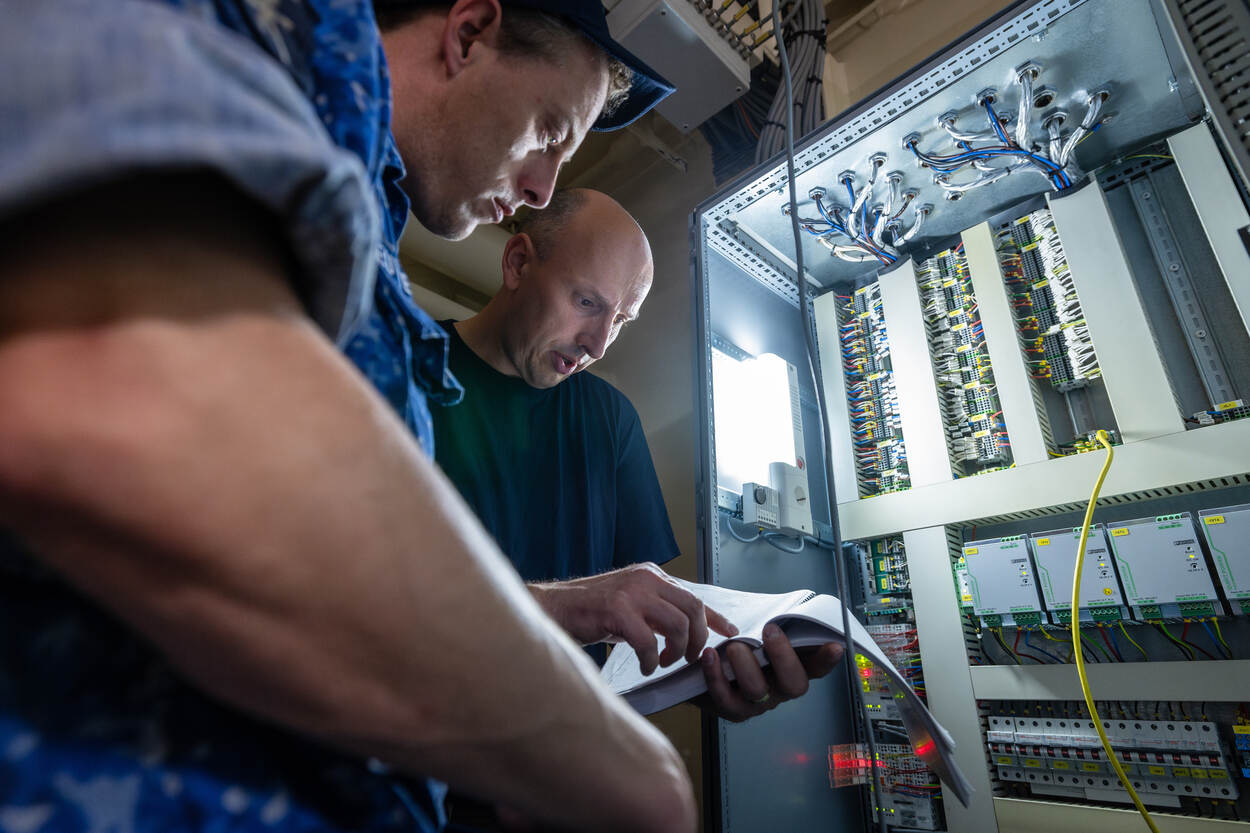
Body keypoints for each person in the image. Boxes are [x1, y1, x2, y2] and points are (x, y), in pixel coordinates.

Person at [0, 3, 700, 833]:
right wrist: (618, 767)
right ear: (468, 32)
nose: (544, 185)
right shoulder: (237, 40)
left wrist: (566, 617)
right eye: (549, 128)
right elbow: (138, 405)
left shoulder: (362, 228)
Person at [433, 188, 845, 724]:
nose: (599, 344)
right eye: (587, 303)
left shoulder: (612, 418)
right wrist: (563, 606)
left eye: (621, 320)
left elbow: (638, 635)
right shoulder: (398, 374)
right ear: (517, 263)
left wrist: (713, 671)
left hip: (561, 759)